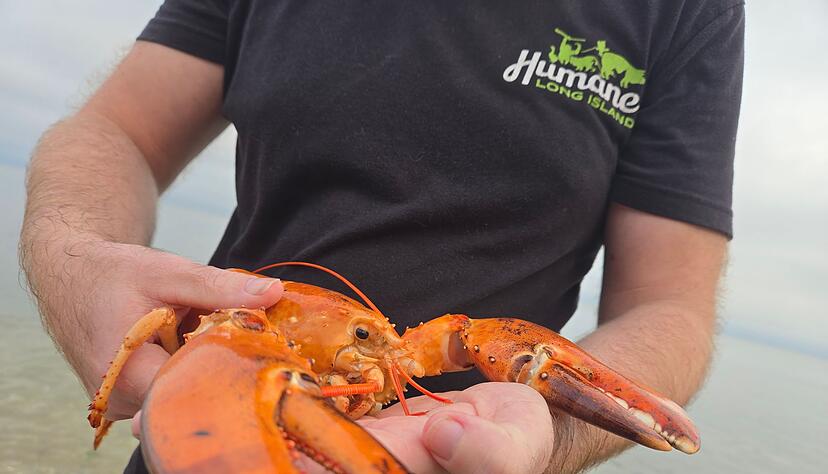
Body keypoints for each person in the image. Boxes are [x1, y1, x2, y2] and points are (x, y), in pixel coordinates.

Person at [20, 1, 744, 473]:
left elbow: (668, 302)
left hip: (463, 447)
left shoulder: (686, 13)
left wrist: (548, 435)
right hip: (208, 422)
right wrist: (72, 254)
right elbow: (115, 130)